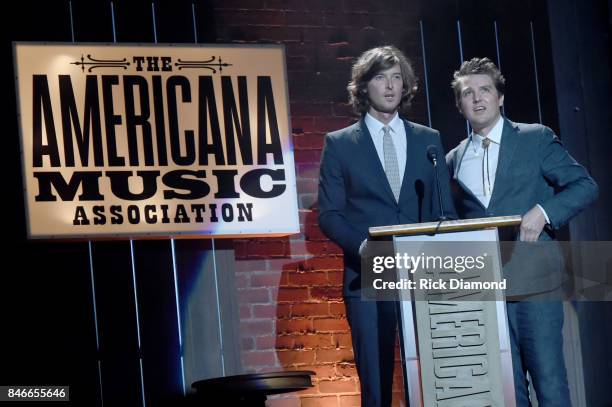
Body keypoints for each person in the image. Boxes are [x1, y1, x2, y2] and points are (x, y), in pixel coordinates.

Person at [446, 57, 598, 406]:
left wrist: (544, 212)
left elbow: (585, 185)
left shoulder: (535, 138)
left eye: (485, 89)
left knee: (550, 385)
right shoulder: (454, 159)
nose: (478, 98)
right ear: (459, 105)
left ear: (500, 97)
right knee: (507, 392)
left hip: (536, 283)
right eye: (468, 93)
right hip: (486, 289)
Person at [318, 45, 456, 407]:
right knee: (376, 385)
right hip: (367, 276)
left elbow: (445, 213)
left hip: (420, 276)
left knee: (426, 378)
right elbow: (329, 215)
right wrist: (365, 248)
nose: (391, 85)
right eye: (381, 77)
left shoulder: (429, 140)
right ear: (364, 87)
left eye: (397, 77)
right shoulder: (340, 145)